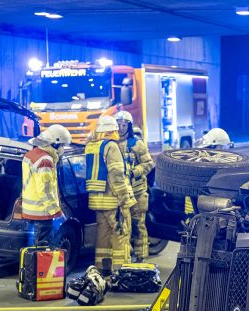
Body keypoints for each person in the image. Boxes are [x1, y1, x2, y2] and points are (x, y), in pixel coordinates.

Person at [84, 115, 137, 274]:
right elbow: (117, 174)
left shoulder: (91, 145)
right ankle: (121, 269)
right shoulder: (111, 146)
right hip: (112, 200)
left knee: (103, 235)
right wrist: (124, 197)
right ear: (110, 130)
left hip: (96, 201)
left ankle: (102, 266)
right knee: (121, 233)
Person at [21, 124, 72, 245]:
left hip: (30, 210)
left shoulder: (31, 154)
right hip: (42, 212)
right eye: (62, 145)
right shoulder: (45, 161)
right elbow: (45, 190)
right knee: (43, 249)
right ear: (54, 143)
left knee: (33, 247)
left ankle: (31, 264)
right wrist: (55, 212)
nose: (62, 148)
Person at [116, 110, 154, 261]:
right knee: (124, 227)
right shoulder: (112, 144)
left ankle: (141, 257)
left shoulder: (137, 144)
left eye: (124, 125)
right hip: (122, 193)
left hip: (137, 192)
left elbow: (149, 163)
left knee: (139, 226)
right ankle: (125, 257)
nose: (121, 128)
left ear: (129, 126)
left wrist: (135, 172)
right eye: (118, 125)